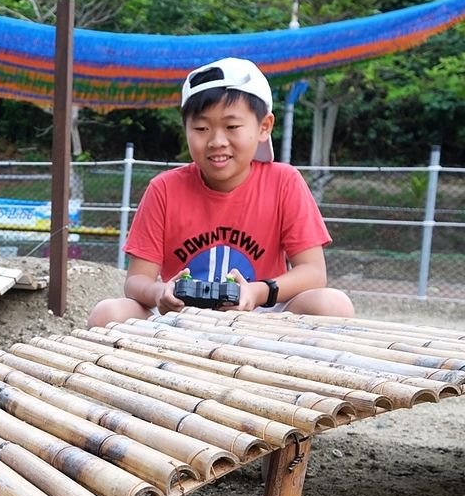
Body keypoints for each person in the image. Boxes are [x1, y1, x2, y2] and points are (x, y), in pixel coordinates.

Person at [87, 57, 354, 328]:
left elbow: (313, 273)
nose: (216, 141)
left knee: (332, 305)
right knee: (108, 314)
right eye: (201, 128)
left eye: (232, 127)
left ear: (264, 127)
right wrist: (161, 292)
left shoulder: (284, 182)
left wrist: (257, 292)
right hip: (179, 321)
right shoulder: (164, 189)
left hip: (261, 319)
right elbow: (136, 280)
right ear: (186, 130)